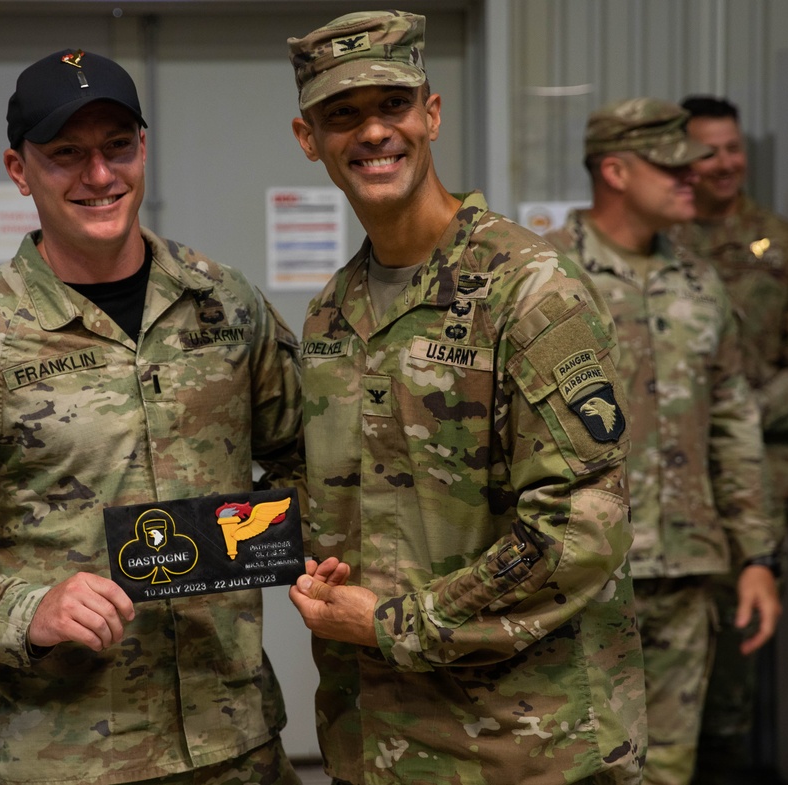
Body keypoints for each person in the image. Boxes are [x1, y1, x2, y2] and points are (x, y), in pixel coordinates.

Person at [0, 49, 305, 785]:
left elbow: (305, 459)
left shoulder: (226, 304)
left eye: (116, 147)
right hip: (66, 757)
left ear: (143, 150)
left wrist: (266, 537)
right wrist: (21, 607)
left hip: (237, 742)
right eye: (66, 155)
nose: (99, 176)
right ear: (19, 169)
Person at [284, 10, 646, 785]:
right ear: (308, 138)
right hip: (377, 742)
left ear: (432, 114)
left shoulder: (527, 290)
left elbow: (581, 524)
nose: (373, 132)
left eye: (393, 106)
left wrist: (394, 624)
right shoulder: (331, 313)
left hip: (527, 747)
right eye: (342, 114)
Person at [544, 97, 782, 785]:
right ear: (616, 170)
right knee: (576, 765)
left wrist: (757, 554)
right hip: (581, 577)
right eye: (674, 166)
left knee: (672, 764)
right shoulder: (546, 277)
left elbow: (733, 425)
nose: (695, 178)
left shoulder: (701, 282)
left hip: (685, 571)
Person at [672, 94, 788, 784]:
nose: (726, 164)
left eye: (734, 148)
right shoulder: (664, 243)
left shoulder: (779, 242)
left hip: (761, 491)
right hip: (678, 492)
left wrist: (743, 407)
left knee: (739, 681)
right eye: (708, 150)